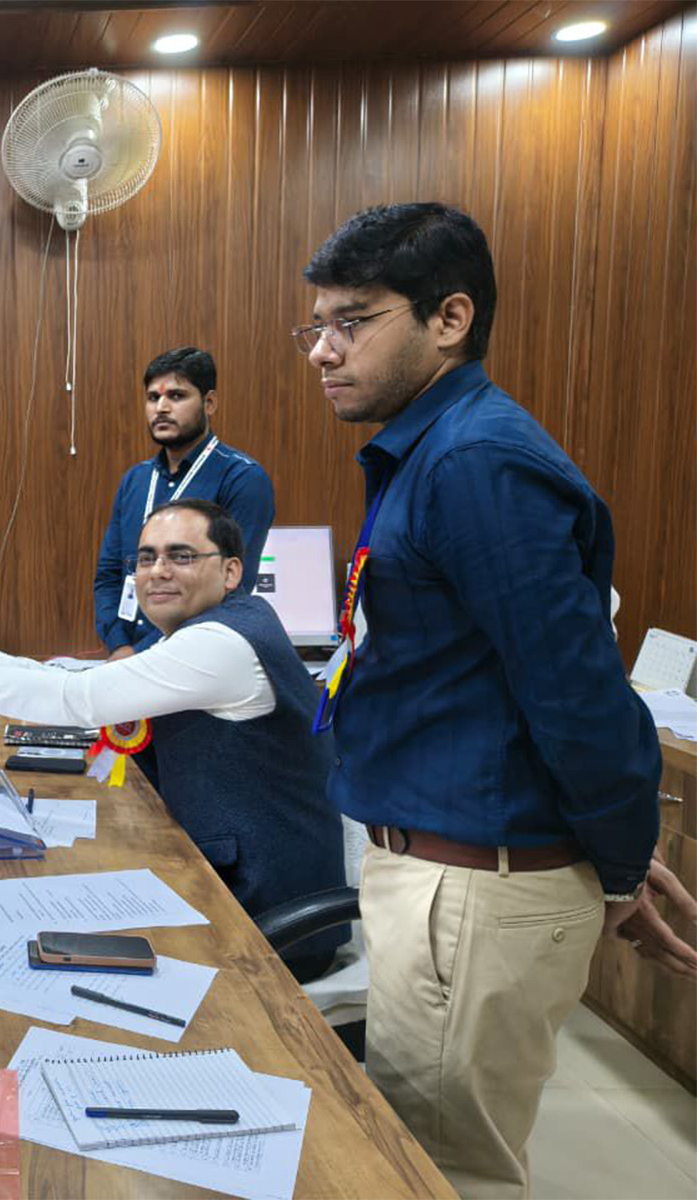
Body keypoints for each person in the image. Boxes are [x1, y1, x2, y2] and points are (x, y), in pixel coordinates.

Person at [297, 201, 697, 1197]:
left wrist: (612, 866)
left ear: (449, 318)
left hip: (471, 887)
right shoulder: (430, 448)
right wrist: (612, 853)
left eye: (352, 320)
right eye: (313, 325)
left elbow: (575, 693)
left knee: (441, 1170)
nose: (320, 349)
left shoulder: (475, 460)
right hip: (456, 871)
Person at [0, 500, 346, 981]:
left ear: (230, 571)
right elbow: (96, 682)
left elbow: (81, 698)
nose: (158, 572)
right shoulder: (214, 626)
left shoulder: (220, 645)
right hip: (228, 884)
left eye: (181, 556)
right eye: (146, 558)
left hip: (266, 923)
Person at [94, 348, 275, 660]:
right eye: (153, 398)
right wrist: (119, 645)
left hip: (194, 659)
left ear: (209, 403)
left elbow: (228, 588)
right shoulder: (135, 480)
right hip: (124, 658)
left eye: (176, 396)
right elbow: (110, 574)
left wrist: (141, 654)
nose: (161, 408)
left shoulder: (242, 478)